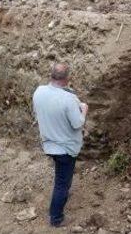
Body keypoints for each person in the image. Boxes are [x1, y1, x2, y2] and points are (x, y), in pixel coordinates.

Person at [33, 63, 88, 227]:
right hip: (65, 148)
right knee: (62, 184)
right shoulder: (68, 100)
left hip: (49, 144)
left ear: (51, 75)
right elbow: (78, 124)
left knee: (61, 177)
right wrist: (84, 109)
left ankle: (63, 193)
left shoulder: (39, 91)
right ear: (67, 79)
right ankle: (56, 218)